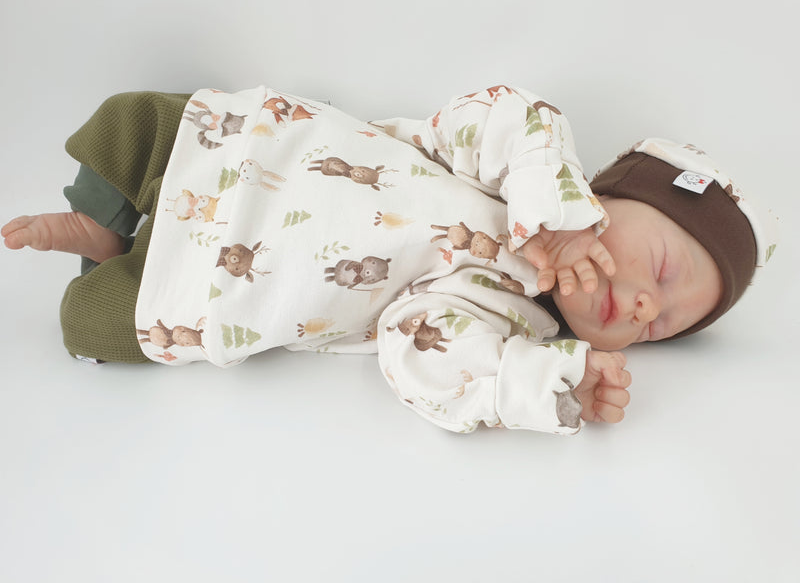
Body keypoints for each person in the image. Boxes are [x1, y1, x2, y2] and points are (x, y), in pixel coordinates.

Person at [1, 86, 772, 435]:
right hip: (254, 154)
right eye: (661, 272)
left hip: (222, 289)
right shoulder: (515, 173)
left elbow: (417, 354)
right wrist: (555, 213)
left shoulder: (512, 325)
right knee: (132, 120)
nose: (644, 307)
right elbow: (506, 114)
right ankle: (100, 217)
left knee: (90, 323)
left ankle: (107, 253)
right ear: (609, 195)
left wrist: (544, 381)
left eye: (660, 326)